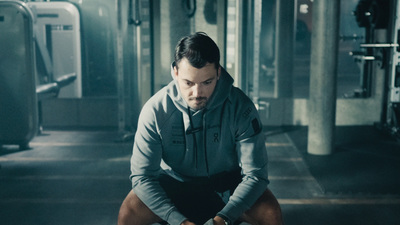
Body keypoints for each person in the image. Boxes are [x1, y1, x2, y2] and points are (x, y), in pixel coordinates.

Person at [118, 32, 283, 225]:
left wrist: (223, 219)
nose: (197, 93)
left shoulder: (241, 107)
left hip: (226, 185)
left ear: (218, 73)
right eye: (188, 83)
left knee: (270, 213)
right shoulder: (155, 110)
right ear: (175, 72)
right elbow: (143, 177)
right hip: (175, 184)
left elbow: (256, 175)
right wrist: (178, 220)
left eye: (207, 82)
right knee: (129, 213)